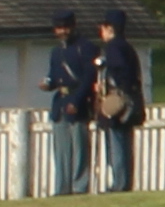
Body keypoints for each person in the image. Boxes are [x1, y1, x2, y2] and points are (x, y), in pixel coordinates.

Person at [44, 13, 100, 196]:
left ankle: (79, 187)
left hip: (79, 102)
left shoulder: (86, 48)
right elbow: (55, 76)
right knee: (61, 151)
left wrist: (77, 100)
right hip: (60, 103)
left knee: (79, 150)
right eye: (59, 28)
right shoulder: (56, 51)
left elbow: (88, 78)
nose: (63, 31)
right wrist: (48, 83)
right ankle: (62, 188)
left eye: (66, 27)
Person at [93, 13, 148, 193]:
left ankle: (119, 183)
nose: (101, 31)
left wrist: (107, 87)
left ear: (110, 28)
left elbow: (119, 72)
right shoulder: (127, 47)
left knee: (116, 143)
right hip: (130, 99)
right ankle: (124, 182)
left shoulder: (113, 47)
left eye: (103, 27)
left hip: (118, 101)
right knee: (124, 143)